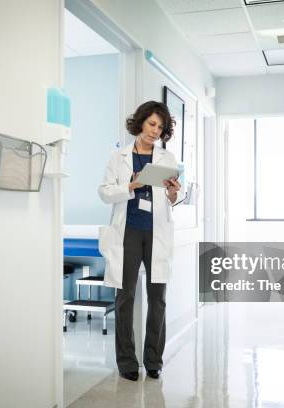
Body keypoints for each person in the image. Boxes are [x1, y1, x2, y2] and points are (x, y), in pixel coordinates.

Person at [98, 101, 181, 381]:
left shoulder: (166, 159)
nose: (155, 131)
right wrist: (130, 186)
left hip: (156, 232)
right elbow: (105, 193)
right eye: (151, 124)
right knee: (125, 298)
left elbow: (172, 200)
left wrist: (173, 193)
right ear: (140, 122)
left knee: (158, 299)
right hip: (128, 232)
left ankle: (154, 360)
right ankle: (127, 363)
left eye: (160, 127)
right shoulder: (118, 157)